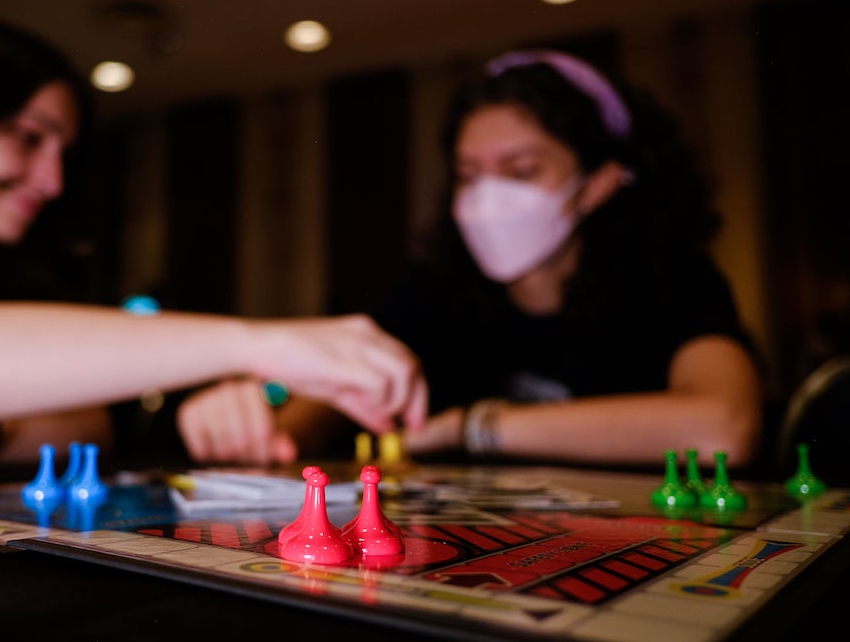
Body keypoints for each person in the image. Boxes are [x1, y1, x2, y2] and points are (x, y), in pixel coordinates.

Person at [0, 19, 427, 480]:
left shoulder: (15, 262)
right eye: (27, 138)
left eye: (63, 152)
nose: (53, 181)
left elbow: (92, 425)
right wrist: (263, 342)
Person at [176, 48, 764, 470]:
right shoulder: (432, 293)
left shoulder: (674, 281)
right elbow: (322, 401)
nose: (487, 198)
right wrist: (265, 429)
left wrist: (472, 427)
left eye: (522, 171)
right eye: (468, 174)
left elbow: (723, 428)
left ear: (599, 184)